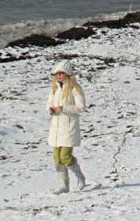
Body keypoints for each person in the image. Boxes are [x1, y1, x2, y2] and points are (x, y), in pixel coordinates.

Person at [47, 60, 87, 194]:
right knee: (57, 158)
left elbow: (81, 107)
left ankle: (80, 177)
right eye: (57, 73)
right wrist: (51, 109)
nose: (59, 76)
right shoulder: (55, 88)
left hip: (69, 127)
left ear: (68, 74)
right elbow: (49, 103)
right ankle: (63, 185)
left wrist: (63, 108)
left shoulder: (74, 88)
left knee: (65, 156)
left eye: (61, 73)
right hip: (56, 128)